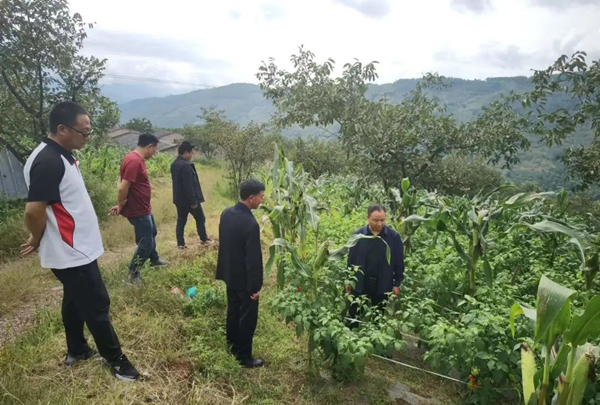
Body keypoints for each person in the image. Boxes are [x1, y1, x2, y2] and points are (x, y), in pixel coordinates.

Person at [21, 101, 139, 381]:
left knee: (75, 299)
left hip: (75, 247)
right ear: (62, 129)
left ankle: (77, 350)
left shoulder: (60, 155)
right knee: (97, 303)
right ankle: (117, 362)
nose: (87, 136)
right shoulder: (48, 161)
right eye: (83, 132)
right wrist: (36, 237)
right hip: (71, 250)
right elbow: (33, 210)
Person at [216, 179, 265, 368]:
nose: (262, 200)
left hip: (230, 274)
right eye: (260, 196)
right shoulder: (250, 224)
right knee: (247, 317)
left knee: (233, 311)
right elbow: (253, 259)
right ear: (251, 197)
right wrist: (254, 287)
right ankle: (244, 356)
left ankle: (232, 345)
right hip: (245, 280)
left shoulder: (226, 213)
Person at [109, 133, 167, 281]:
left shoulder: (132, 158)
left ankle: (154, 259)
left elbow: (121, 180)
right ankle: (133, 272)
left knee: (152, 232)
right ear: (150, 146)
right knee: (146, 242)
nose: (154, 152)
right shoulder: (134, 161)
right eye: (155, 149)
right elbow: (122, 187)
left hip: (143, 207)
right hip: (138, 210)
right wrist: (120, 204)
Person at [346, 203, 404, 328]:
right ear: (368, 218)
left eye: (382, 220)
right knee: (354, 317)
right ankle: (351, 336)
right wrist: (349, 280)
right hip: (361, 283)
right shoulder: (358, 235)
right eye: (375, 220)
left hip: (382, 284)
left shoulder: (393, 237)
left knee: (378, 317)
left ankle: (375, 337)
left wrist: (397, 283)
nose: (379, 224)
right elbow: (351, 260)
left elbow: (399, 262)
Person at [170, 141, 214, 249]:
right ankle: (204, 239)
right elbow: (189, 185)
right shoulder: (185, 166)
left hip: (178, 199)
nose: (192, 155)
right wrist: (193, 201)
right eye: (191, 153)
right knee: (200, 218)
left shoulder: (174, 164)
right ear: (186, 153)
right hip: (188, 200)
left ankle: (180, 244)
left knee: (181, 221)